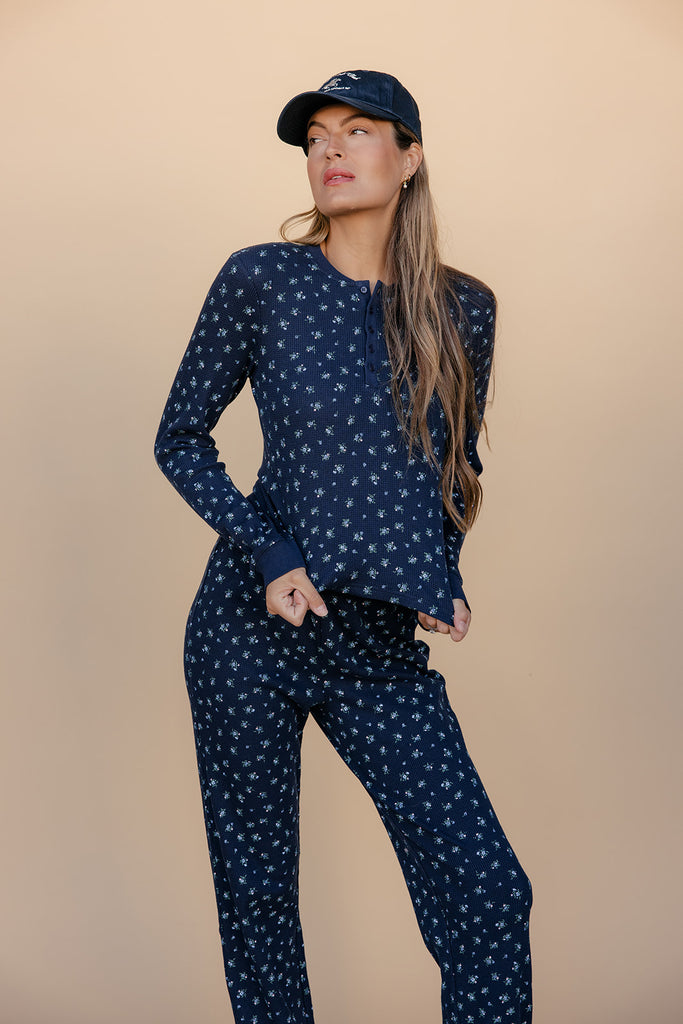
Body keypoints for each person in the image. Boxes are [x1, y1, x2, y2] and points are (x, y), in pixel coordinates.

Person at [154, 69, 533, 1024]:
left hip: (376, 649)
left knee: (487, 895)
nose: (329, 149)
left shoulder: (464, 308)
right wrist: (270, 551)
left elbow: (453, 464)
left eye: (357, 130)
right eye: (316, 135)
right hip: (250, 629)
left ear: (408, 157)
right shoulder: (262, 278)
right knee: (260, 903)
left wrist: (438, 574)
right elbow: (179, 438)